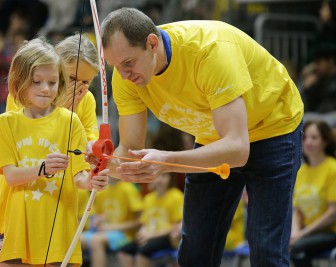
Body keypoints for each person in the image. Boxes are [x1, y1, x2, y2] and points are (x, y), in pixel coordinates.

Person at [98, 7, 304, 267]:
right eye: (116, 66)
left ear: (152, 43)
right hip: (215, 138)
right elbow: (128, 150)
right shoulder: (125, 76)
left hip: (275, 129)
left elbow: (237, 150)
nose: (124, 74)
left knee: (266, 253)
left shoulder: (210, 51)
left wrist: (165, 161)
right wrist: (101, 167)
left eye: (128, 63)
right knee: (195, 252)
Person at [0, 37, 109, 267]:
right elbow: (30, 134)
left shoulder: (85, 102)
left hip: (57, 210)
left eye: (86, 82)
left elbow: (85, 151)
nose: (78, 88)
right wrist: (61, 104)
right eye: (71, 78)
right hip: (17, 208)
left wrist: (95, 164)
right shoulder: (20, 97)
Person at [290, 120, 336, 267]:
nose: (308, 142)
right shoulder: (302, 171)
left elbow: (333, 213)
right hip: (308, 233)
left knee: (297, 248)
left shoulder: (332, 169)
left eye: (314, 137)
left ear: (325, 141)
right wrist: (295, 232)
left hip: (330, 232)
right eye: (305, 138)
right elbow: (297, 210)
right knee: (282, 244)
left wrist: (302, 234)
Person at [116, 173, 183, 267]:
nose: (159, 180)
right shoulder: (149, 198)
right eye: (157, 176)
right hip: (149, 235)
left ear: (170, 178)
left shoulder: (176, 196)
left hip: (166, 237)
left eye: (163, 176)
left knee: (141, 253)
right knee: (123, 251)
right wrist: (142, 233)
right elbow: (144, 222)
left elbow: (176, 227)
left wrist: (151, 235)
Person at [81, 179, 143, 267]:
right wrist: (97, 220)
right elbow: (98, 215)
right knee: (76, 239)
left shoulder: (128, 189)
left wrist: (116, 227)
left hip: (126, 234)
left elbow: (141, 221)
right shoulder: (101, 190)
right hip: (104, 231)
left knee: (96, 241)